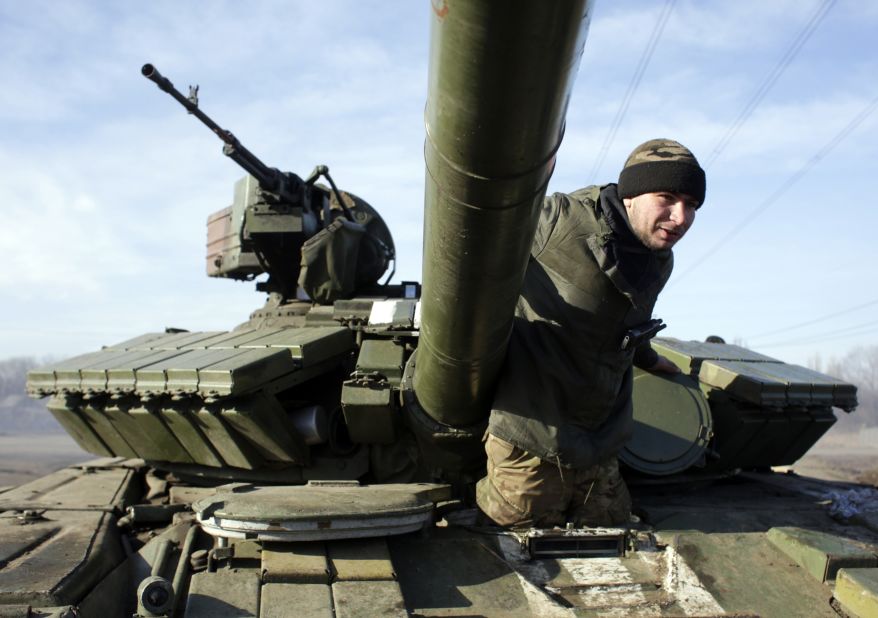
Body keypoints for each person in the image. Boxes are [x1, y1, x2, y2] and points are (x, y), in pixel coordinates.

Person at [475, 138, 706, 528]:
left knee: (615, 544)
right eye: (667, 197)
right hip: (531, 438)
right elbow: (476, 233)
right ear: (631, 194)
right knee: (512, 550)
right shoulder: (557, 220)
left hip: (600, 442)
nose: (680, 217)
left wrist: (649, 358)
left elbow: (628, 323)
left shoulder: (657, 257)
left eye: (692, 206)